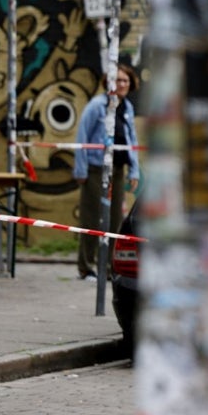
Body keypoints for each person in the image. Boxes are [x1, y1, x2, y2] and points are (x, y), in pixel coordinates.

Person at [74, 63, 140, 282]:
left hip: (118, 169)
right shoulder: (97, 105)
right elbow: (82, 137)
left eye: (125, 81)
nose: (122, 84)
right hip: (95, 169)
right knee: (92, 218)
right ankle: (86, 267)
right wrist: (81, 169)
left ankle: (111, 267)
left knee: (115, 221)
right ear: (109, 82)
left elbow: (132, 140)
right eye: (118, 80)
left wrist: (135, 169)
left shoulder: (127, 107)